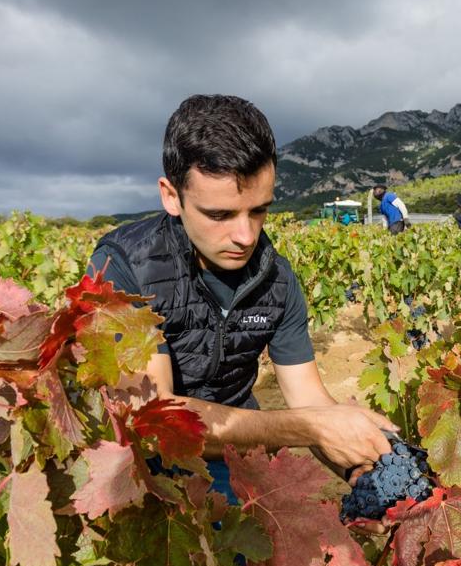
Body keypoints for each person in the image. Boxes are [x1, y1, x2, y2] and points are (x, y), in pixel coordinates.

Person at [87, 95, 395, 502]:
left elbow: (307, 398)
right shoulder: (123, 267)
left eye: (259, 211)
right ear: (171, 196)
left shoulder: (278, 281)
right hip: (140, 459)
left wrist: (364, 472)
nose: (246, 236)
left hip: (232, 447)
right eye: (220, 215)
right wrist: (313, 427)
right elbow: (153, 417)